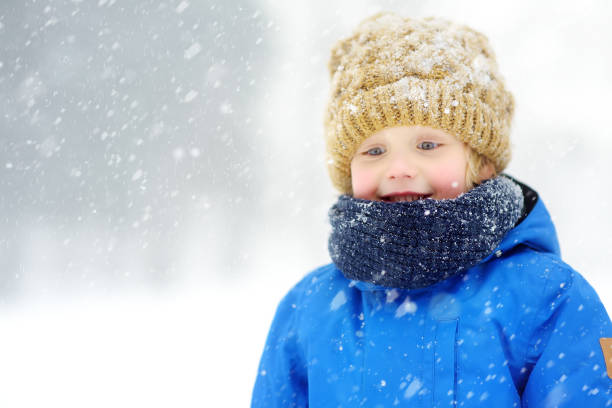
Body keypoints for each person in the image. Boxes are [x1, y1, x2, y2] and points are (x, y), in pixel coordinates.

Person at [251, 12, 612, 407]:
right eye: (374, 151)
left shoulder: (550, 297)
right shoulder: (309, 308)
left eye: (427, 145)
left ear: (481, 163)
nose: (399, 168)